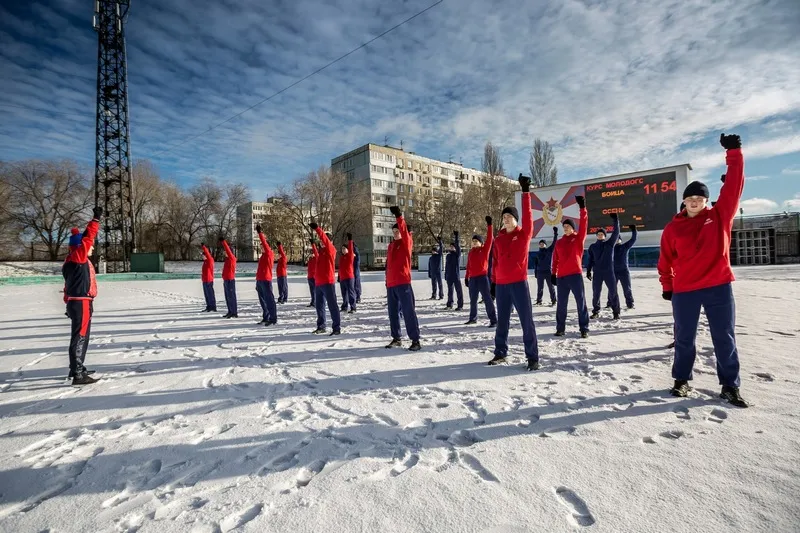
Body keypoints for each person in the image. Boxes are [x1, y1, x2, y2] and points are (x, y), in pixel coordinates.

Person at [658, 133, 748, 408]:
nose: (695, 201)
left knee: (724, 337)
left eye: (700, 198)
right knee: (684, 337)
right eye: (690, 198)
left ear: (706, 201)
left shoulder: (719, 216)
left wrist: (734, 154)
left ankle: (730, 386)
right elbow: (666, 261)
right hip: (685, 291)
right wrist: (668, 286)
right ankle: (681, 380)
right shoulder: (672, 228)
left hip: (719, 287)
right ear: (683, 202)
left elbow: (733, 187)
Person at [488, 174, 539, 370]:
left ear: (516, 220)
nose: (506, 219)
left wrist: (526, 192)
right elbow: (495, 262)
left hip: (518, 283)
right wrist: (493, 282)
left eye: (509, 217)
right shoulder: (498, 240)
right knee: (502, 322)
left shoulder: (524, 234)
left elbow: (528, 216)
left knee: (526, 320)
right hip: (501, 285)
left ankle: (532, 357)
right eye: (504, 217)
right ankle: (500, 353)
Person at [62, 207, 102, 385]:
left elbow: (67, 286)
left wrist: (67, 303)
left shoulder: (72, 260)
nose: (92, 247)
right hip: (81, 303)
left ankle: (76, 368)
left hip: (77, 302)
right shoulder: (78, 258)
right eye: (89, 246)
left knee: (80, 335)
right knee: (80, 336)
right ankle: (78, 373)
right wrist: (96, 220)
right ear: (81, 247)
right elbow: (88, 238)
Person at [552, 196, 590, 338]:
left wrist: (582, 208)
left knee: (581, 302)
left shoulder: (578, 238)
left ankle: (584, 328)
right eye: (564, 226)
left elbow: (585, 224)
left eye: (568, 226)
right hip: (562, 277)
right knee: (561, 304)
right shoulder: (559, 243)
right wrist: (553, 273)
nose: (565, 227)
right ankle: (560, 328)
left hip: (575, 275)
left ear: (572, 228)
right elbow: (555, 259)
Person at [384, 206, 421, 351]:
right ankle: (396, 338)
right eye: (393, 232)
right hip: (391, 284)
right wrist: (387, 281)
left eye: (397, 231)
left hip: (403, 283)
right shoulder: (391, 246)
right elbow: (388, 265)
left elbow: (404, 232)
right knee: (392, 313)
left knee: (408, 312)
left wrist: (399, 216)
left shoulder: (406, 243)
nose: (395, 234)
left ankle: (415, 340)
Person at [586, 215, 621, 319]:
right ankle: (596, 311)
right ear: (596, 236)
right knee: (596, 293)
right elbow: (590, 260)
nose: (600, 235)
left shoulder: (609, 244)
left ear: (605, 236)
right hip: (597, 273)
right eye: (599, 234)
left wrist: (616, 221)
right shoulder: (592, 247)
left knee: (613, 292)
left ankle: (616, 312)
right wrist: (588, 271)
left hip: (609, 272)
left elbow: (616, 233)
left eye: (602, 234)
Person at [465, 217, 497, 327]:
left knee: (488, 300)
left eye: (476, 241)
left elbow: (489, 238)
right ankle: (473, 318)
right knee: (473, 301)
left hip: (483, 278)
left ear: (481, 243)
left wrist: (490, 225)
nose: (474, 243)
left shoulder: (484, 250)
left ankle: (493, 320)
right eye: (473, 241)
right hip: (473, 279)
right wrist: (466, 277)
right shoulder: (470, 253)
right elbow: (468, 266)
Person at [310, 222, 341, 335]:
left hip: (328, 282)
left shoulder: (331, 250)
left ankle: (336, 328)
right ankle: (321, 326)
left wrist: (317, 229)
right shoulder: (321, 252)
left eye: (325, 241)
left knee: (332, 305)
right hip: (319, 283)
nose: (322, 242)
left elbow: (325, 240)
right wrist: (313, 244)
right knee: (319, 306)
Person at [255, 225, 277, 326]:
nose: (261, 247)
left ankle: (273, 318)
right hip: (260, 280)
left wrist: (260, 233)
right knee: (262, 300)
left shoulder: (269, 253)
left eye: (262, 246)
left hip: (266, 280)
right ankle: (266, 316)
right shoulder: (262, 256)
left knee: (269, 299)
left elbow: (264, 243)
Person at [612, 224, 638, 309]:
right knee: (612, 289)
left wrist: (634, 230)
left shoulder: (624, 247)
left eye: (618, 239)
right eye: (615, 239)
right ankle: (610, 303)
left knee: (627, 289)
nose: (617, 240)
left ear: (620, 240)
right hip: (613, 272)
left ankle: (630, 303)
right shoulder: (610, 249)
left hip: (624, 271)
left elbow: (633, 239)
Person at [534, 227, 559, 306]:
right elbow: (536, 264)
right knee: (540, 288)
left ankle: (554, 300)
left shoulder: (549, 250)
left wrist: (555, 233)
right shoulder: (537, 254)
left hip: (548, 272)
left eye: (543, 244)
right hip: (540, 273)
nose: (541, 245)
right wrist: (536, 273)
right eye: (540, 244)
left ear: (545, 245)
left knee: (551, 287)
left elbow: (554, 242)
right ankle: (539, 300)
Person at [219, 236, 238, 318]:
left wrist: (223, 242)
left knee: (231, 296)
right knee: (227, 297)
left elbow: (228, 250)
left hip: (230, 280)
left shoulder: (232, 258)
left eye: (226, 251)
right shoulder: (227, 260)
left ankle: (234, 312)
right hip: (226, 280)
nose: (225, 252)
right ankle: (230, 311)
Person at [444, 231, 463, 310]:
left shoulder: (457, 255)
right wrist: (445, 275)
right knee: (450, 291)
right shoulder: (448, 256)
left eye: (453, 246)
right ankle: (449, 304)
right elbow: (446, 266)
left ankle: (460, 305)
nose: (451, 247)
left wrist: (456, 237)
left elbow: (458, 247)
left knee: (459, 291)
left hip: (456, 275)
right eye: (450, 246)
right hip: (449, 276)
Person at [338, 233, 357, 313]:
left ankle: (353, 307)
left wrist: (350, 240)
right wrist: (339, 276)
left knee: (351, 293)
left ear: (347, 249)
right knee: (344, 294)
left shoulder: (350, 256)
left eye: (344, 248)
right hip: (342, 278)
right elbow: (340, 268)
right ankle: (344, 306)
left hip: (349, 278)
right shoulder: (341, 258)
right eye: (342, 249)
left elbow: (351, 248)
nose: (343, 250)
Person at [200, 243, 217, 312]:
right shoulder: (205, 262)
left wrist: (203, 247)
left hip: (209, 280)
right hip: (204, 280)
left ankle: (213, 306)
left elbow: (208, 254)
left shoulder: (210, 260)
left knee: (210, 294)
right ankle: (209, 306)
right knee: (206, 294)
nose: (202, 257)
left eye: (203, 255)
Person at [307, 240, 317, 307]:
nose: (311, 254)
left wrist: (313, 244)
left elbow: (316, 252)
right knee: (312, 291)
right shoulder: (310, 259)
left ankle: (315, 302)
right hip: (310, 277)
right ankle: (313, 301)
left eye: (312, 252)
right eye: (310, 253)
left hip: (314, 277)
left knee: (315, 291)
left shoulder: (316, 258)